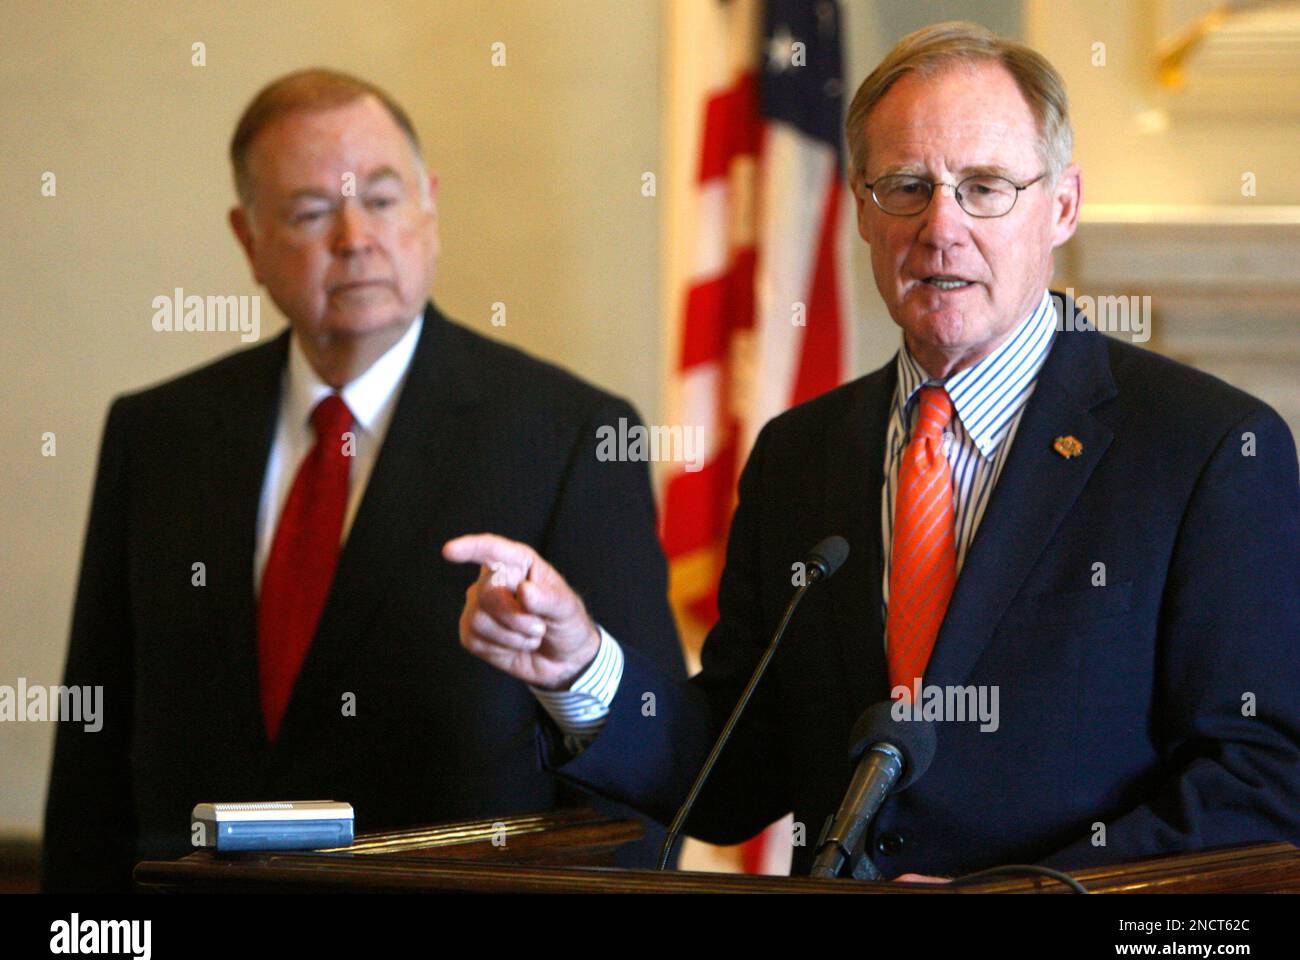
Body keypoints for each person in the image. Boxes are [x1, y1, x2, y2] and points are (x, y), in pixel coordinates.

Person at [446, 22, 1300, 878]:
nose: (940, 227)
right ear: (859, 206)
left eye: (985, 187)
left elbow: (1263, 783)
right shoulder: (799, 455)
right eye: (906, 186)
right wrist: (581, 663)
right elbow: (730, 774)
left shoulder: (1207, 450)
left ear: (1063, 205)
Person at [42, 68, 683, 892]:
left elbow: (652, 766)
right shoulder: (157, 433)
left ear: (429, 206)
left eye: (381, 200)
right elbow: (92, 760)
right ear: (249, 240)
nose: (355, 237)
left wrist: (576, 671)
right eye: (312, 212)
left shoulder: (571, 435)